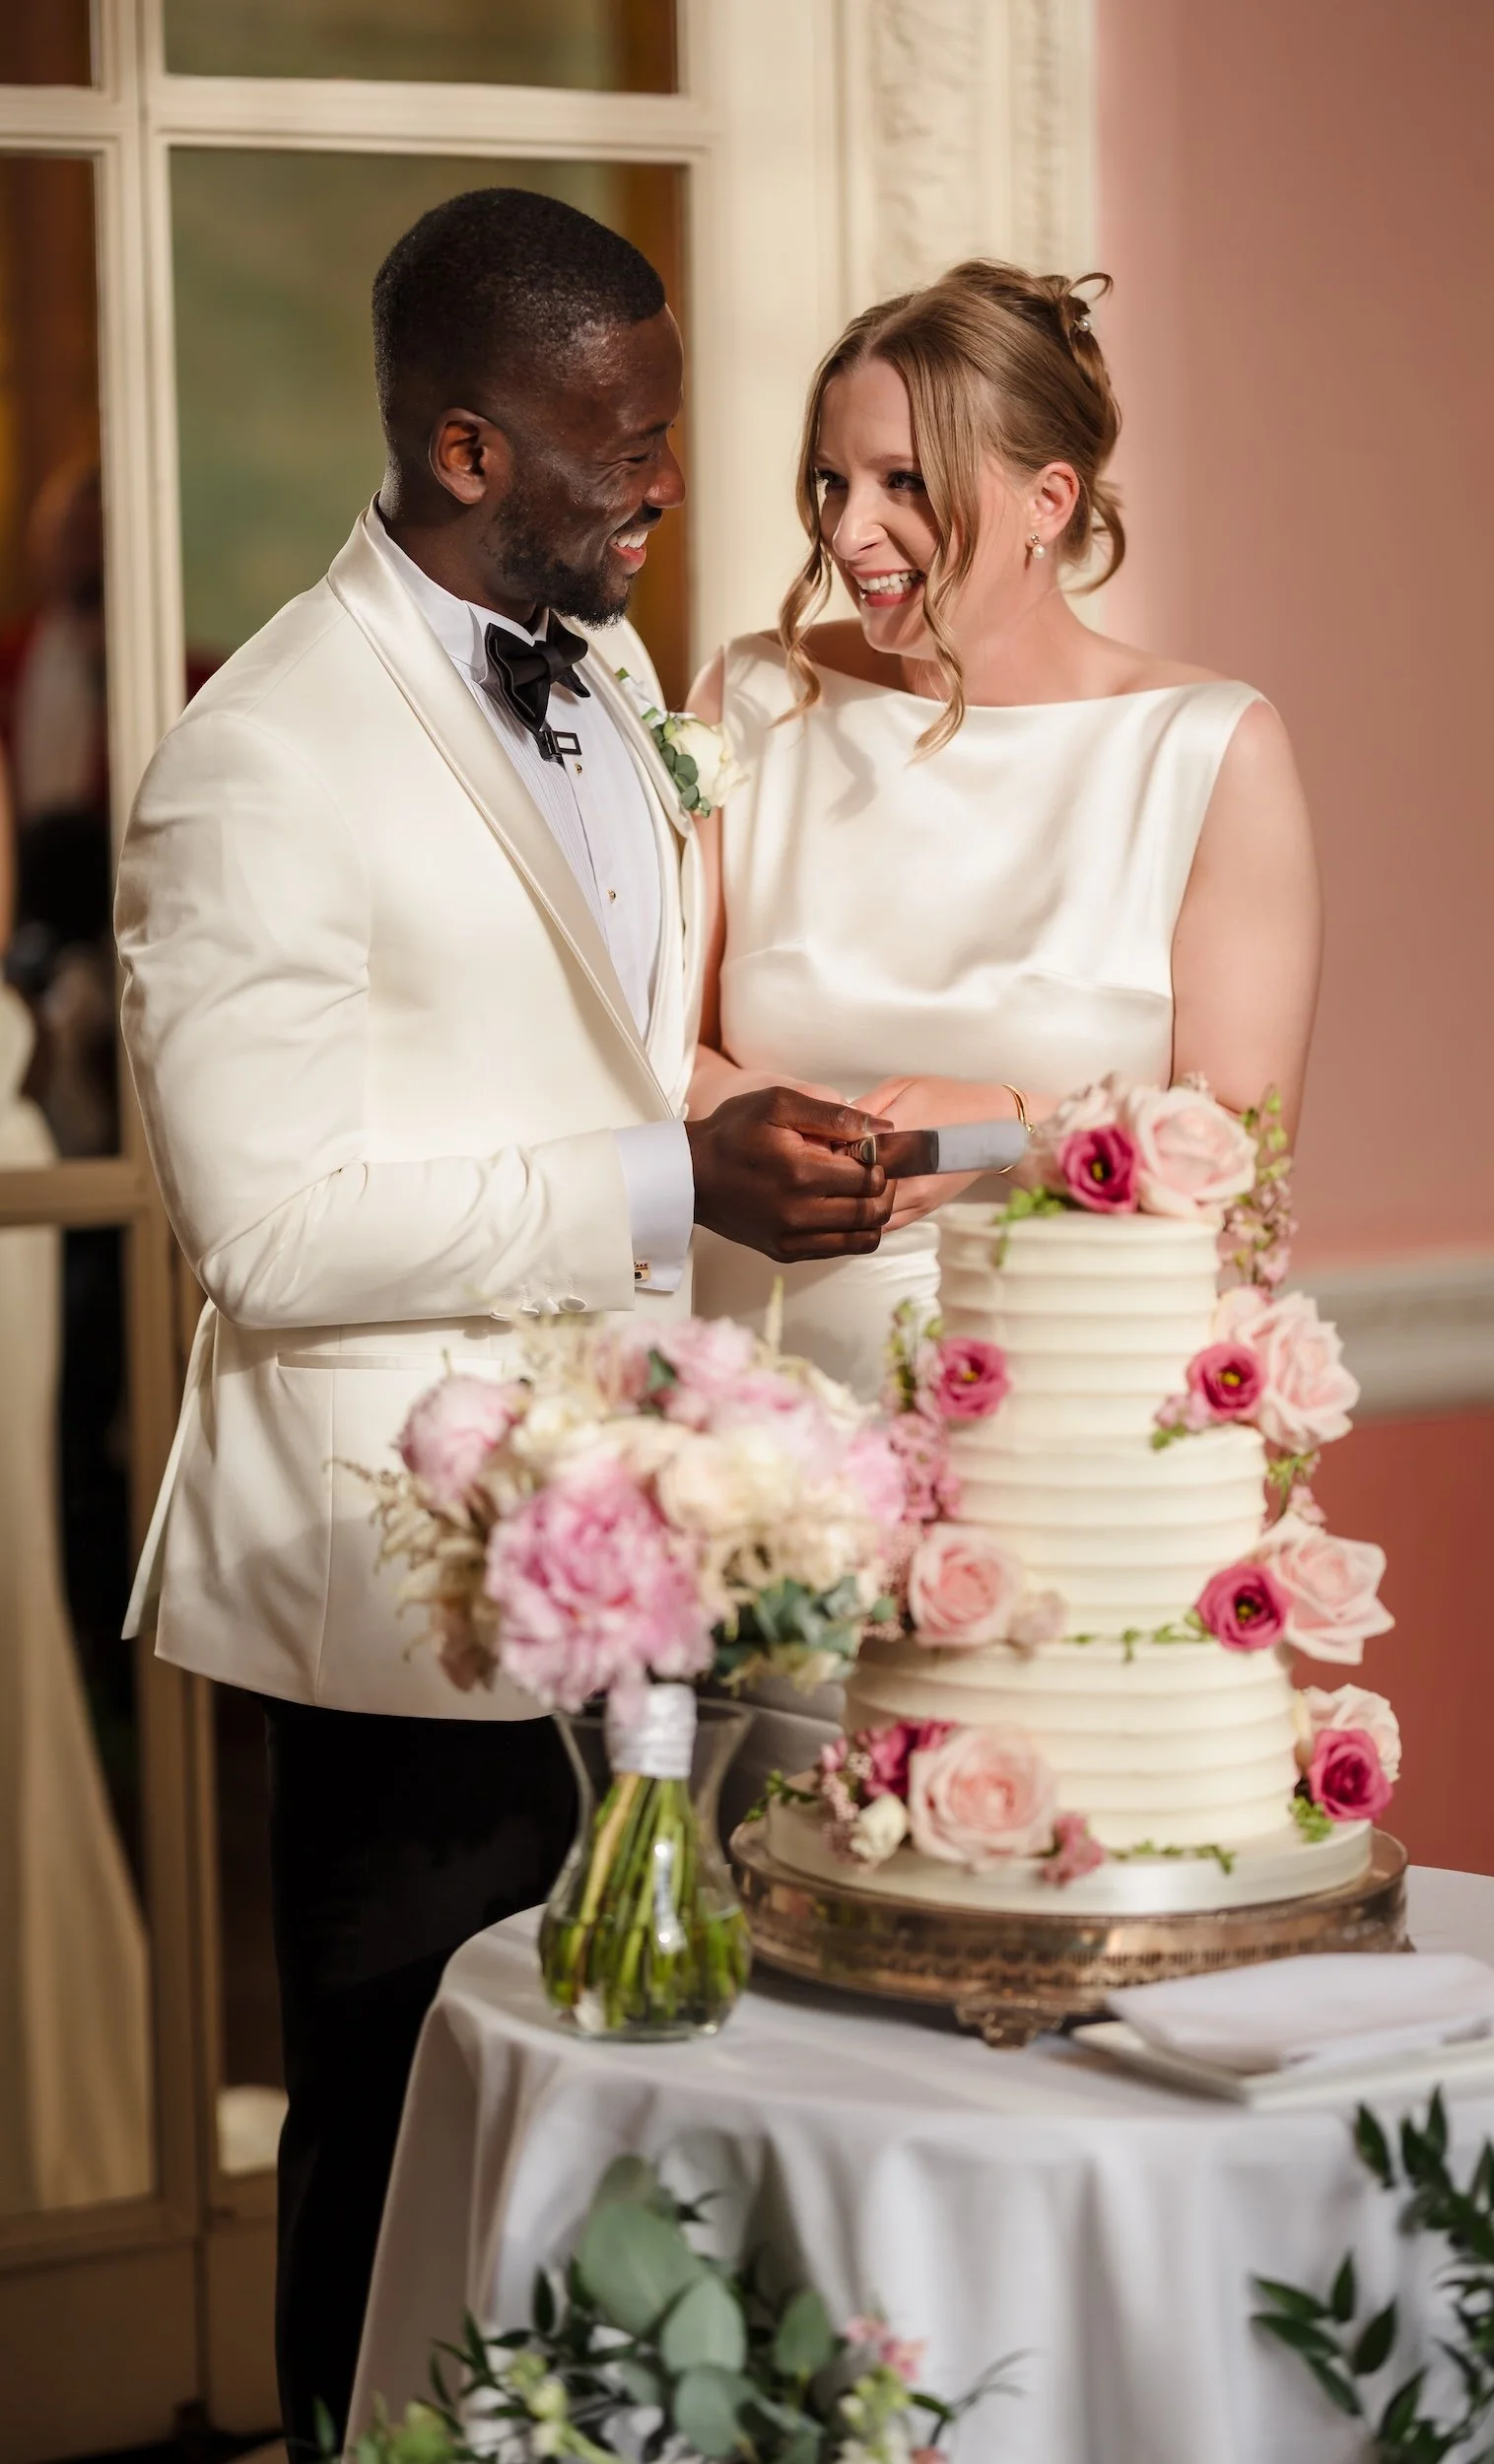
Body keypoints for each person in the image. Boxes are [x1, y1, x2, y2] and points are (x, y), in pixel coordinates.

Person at [114, 188, 893, 2451]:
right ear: (466, 451)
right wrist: (668, 1179)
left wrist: (746, 1152)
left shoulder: (623, 674)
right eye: (618, 439)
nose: (667, 477)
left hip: (653, 1559)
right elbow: (263, 1232)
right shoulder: (258, 757)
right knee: (399, 2168)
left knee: (630, 2171)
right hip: (410, 1595)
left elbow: (600, 1056)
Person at [689, 258, 1322, 1396]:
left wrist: (1006, 1122)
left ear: (1049, 499)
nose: (849, 530)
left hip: (1070, 1404)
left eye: (905, 484)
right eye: (833, 481)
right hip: (759, 1408)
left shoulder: (1205, 749)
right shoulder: (750, 701)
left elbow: (1238, 1158)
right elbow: (642, 1054)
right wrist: (792, 1130)